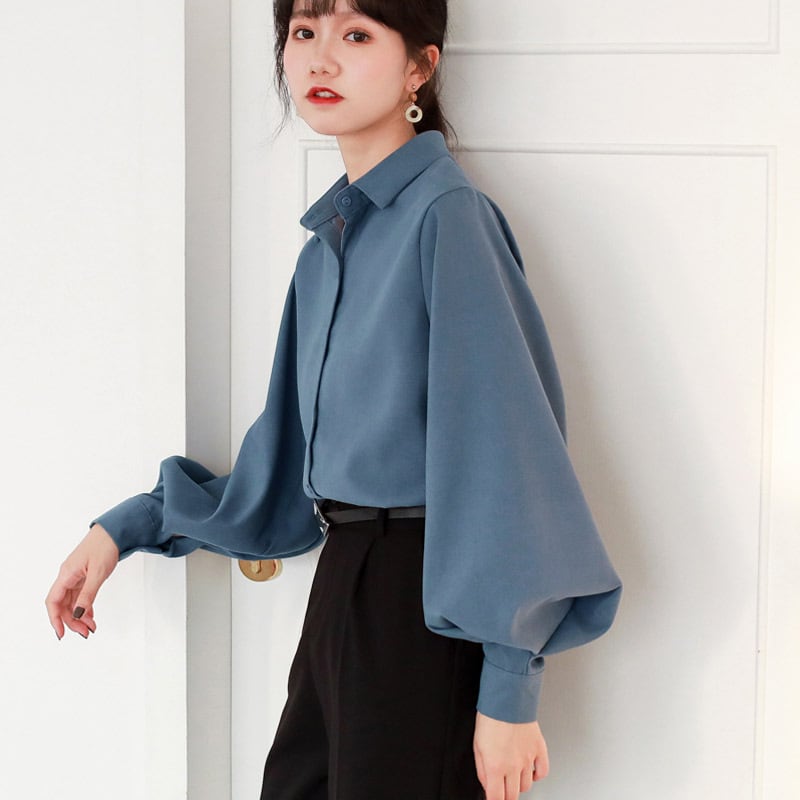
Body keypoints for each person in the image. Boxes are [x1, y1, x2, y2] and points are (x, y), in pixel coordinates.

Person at [45, 1, 622, 798]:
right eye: (302, 32)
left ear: (420, 66)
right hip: (344, 587)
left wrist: (508, 688)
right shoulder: (326, 253)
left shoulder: (448, 219)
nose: (320, 59)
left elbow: (509, 459)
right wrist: (126, 527)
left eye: (356, 34)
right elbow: (281, 472)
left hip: (426, 605)